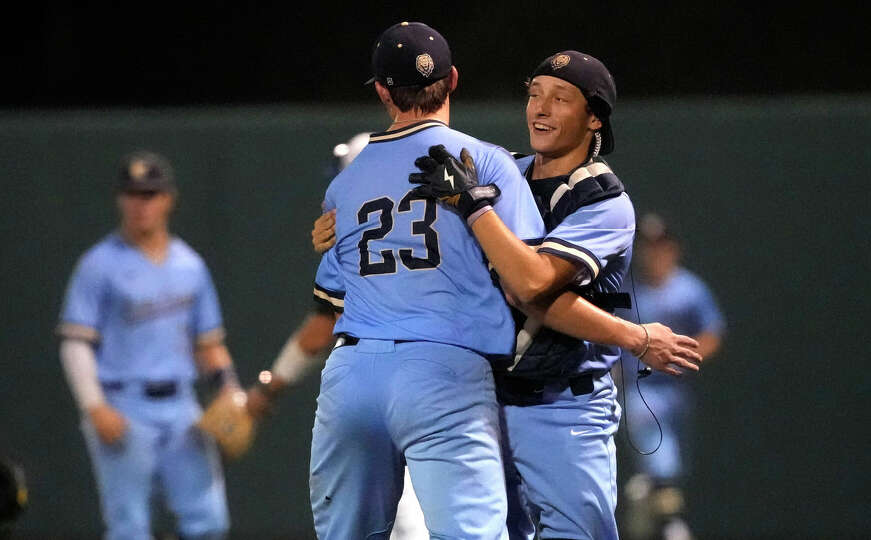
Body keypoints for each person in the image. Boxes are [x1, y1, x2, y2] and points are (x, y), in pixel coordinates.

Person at [408, 51, 702, 539]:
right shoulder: (501, 171)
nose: (539, 109)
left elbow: (531, 285)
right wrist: (342, 223)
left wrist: (476, 210)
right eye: (534, 94)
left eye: (560, 98)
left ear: (594, 118)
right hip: (481, 400)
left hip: (563, 405)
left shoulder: (604, 200)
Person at [306, 21, 545, 539]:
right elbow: (530, 282)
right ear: (453, 79)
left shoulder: (344, 186)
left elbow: (331, 294)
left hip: (353, 373)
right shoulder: (483, 161)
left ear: (383, 92)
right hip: (445, 370)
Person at [245, 132, 429, 540]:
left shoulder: (359, 236)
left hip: (379, 380)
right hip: (449, 380)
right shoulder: (441, 223)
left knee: (394, 517)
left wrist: (269, 386)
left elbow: (320, 329)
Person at [57, 151, 237, 540]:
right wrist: (94, 406)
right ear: (120, 199)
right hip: (123, 406)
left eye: (151, 194)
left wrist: (229, 393)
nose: (142, 203)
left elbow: (208, 343)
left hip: (181, 409)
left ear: (168, 199)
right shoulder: (99, 264)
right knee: (129, 529)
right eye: (133, 194)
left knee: (208, 523)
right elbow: (75, 343)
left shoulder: (190, 265)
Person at [618, 213, 726, 540]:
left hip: (676, 389)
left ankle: (648, 496)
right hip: (638, 388)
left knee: (675, 463)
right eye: (648, 247)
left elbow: (713, 332)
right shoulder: (625, 290)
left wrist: (686, 358)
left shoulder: (689, 289)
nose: (655, 254)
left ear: (674, 249)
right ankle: (669, 519)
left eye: (661, 246)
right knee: (657, 450)